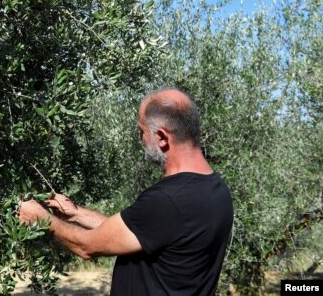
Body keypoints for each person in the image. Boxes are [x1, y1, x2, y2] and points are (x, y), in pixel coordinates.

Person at [19, 88, 234, 296]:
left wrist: (40, 217)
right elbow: (143, 231)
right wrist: (76, 213)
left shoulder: (167, 201)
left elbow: (87, 247)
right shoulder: (216, 190)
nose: (140, 139)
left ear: (162, 137)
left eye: (141, 131)